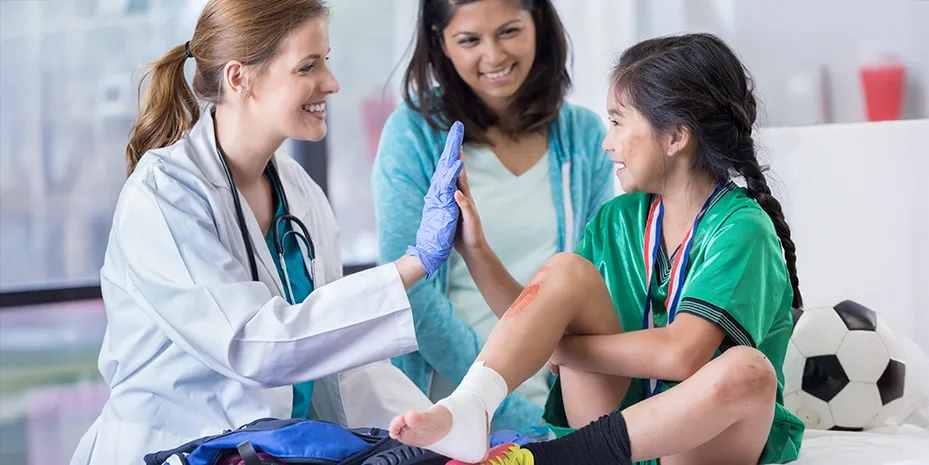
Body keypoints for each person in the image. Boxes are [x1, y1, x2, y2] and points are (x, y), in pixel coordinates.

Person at [69, 1, 466, 464]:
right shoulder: (164, 196)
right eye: (308, 66)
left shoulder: (300, 191)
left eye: (327, 61)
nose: (332, 83)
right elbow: (251, 345)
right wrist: (414, 263)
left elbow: (339, 357)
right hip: (168, 448)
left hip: (266, 451)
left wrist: (447, 428)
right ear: (239, 79)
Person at [389, 33, 806, 464]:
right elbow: (532, 318)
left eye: (618, 122)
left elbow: (681, 355)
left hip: (696, 449)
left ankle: (551, 459)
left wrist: (559, 348)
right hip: (612, 432)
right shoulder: (619, 219)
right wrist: (474, 249)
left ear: (676, 136)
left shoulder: (742, 228)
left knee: (749, 371)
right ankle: (471, 406)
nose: (607, 142)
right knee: (567, 270)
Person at [372, 0, 614, 435]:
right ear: (439, 40)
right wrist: (504, 405)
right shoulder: (411, 134)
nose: (495, 56)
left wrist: (556, 420)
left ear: (537, 21)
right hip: (443, 406)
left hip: (561, 404)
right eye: (469, 40)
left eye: (509, 31)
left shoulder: (586, 135)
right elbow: (410, 294)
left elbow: (595, 288)